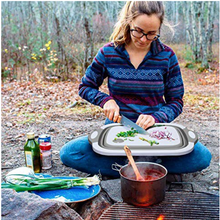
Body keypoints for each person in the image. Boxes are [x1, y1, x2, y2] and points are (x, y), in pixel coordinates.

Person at [60, 1, 211, 178]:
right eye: (138, 31)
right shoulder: (108, 53)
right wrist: (106, 100)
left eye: (151, 34)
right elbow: (85, 87)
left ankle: (127, 167)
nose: (143, 39)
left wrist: (156, 117)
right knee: (69, 153)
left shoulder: (166, 56)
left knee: (202, 157)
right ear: (128, 23)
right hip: (119, 129)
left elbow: (176, 101)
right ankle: (151, 168)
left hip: (156, 130)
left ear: (159, 29)